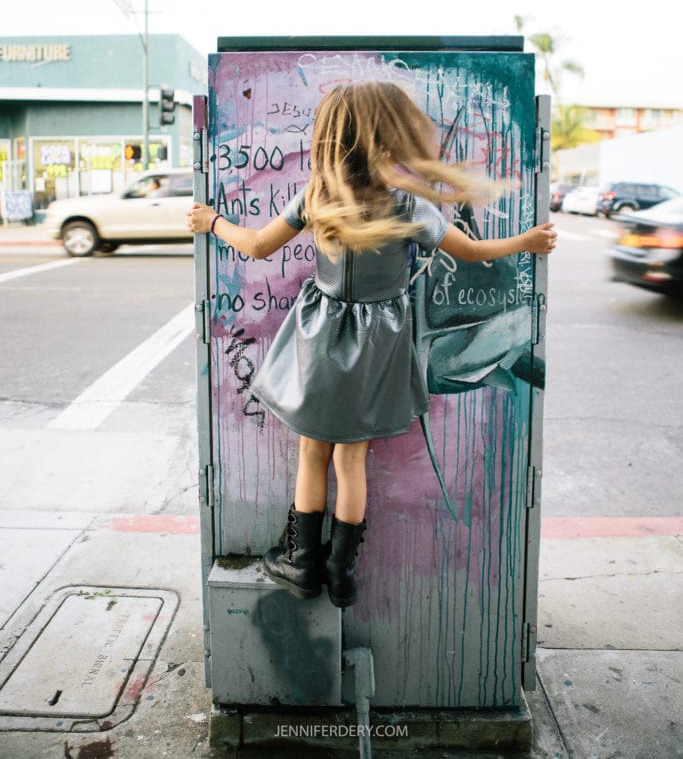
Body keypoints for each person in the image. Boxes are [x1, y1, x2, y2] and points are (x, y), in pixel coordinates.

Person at [187, 81, 557, 608]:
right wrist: (527, 241)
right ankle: (341, 572)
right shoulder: (407, 204)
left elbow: (256, 244)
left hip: (319, 339)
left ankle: (301, 561)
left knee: (312, 453)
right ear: (387, 139)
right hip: (380, 342)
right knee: (352, 462)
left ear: (332, 139)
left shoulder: (317, 195)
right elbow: (472, 251)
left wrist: (214, 221)